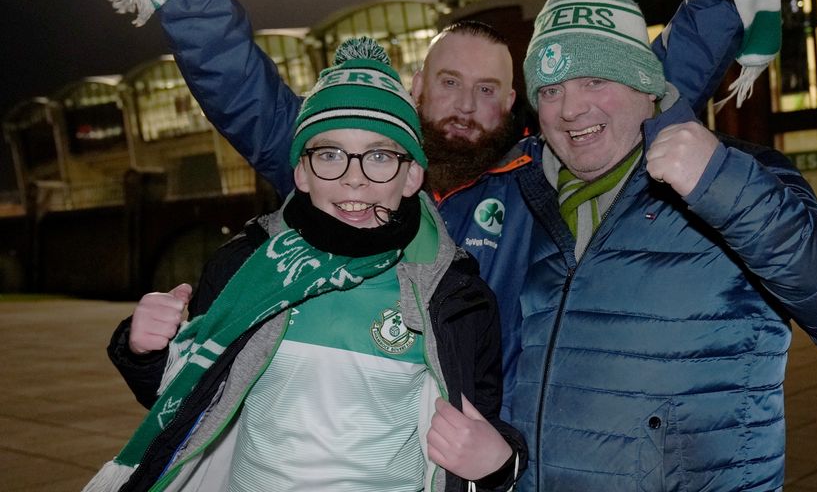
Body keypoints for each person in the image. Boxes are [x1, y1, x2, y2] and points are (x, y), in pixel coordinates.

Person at [135, 0, 784, 417]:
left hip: (481, 451)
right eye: (449, 84)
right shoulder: (354, 166)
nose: (466, 105)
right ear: (418, 86)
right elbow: (245, 93)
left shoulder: (542, 183)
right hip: (352, 438)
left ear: (511, 103)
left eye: (486, 90)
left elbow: (640, 87)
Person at [509, 0, 817, 491]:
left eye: (595, 80)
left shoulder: (735, 177)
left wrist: (723, 188)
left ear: (646, 85)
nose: (570, 110)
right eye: (550, 90)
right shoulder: (523, 196)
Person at [93, 38, 526, 492]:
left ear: (412, 176)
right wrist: (146, 351)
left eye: (380, 155)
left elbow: (477, 441)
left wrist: (501, 463)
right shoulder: (246, 265)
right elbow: (185, 404)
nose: (354, 176)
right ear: (301, 171)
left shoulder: (455, 296)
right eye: (330, 155)